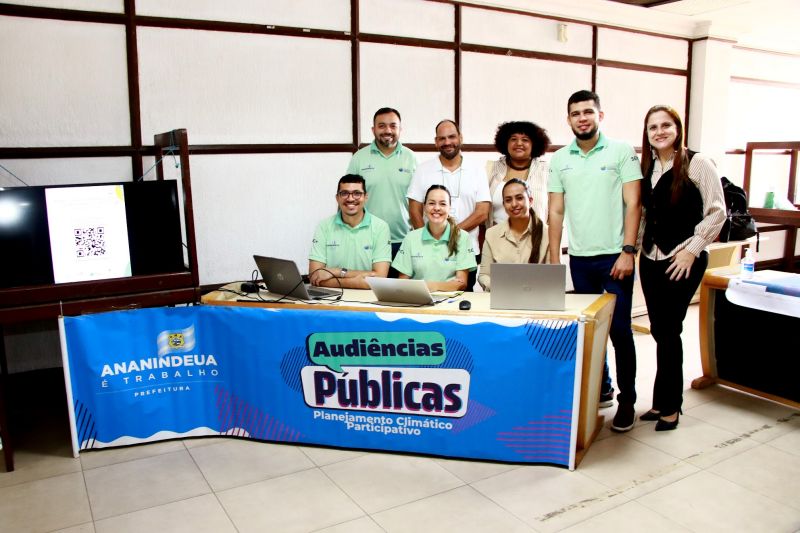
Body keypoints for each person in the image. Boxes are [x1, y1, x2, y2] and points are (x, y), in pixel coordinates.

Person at [548, 90, 643, 433]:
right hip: (580, 258)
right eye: (575, 113)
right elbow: (556, 210)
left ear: (600, 116)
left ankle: (628, 401)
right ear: (569, 119)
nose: (582, 118)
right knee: (590, 331)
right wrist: (553, 258)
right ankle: (599, 389)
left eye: (588, 112)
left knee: (619, 330)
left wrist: (628, 251)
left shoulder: (621, 151)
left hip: (615, 257)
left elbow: (634, 204)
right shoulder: (559, 159)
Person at [638, 105, 725, 431]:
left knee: (670, 330)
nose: (658, 132)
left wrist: (692, 249)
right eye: (652, 128)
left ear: (678, 128)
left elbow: (718, 212)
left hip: (683, 260)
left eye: (665, 125)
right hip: (651, 260)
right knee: (660, 331)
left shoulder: (698, 164)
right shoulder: (647, 167)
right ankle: (661, 400)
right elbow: (645, 214)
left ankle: (671, 406)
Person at [407, 120, 490, 290]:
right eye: (442, 138)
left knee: (461, 301)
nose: (447, 142)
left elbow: (482, 212)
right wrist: (431, 238)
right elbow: (414, 210)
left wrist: (451, 235)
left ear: (460, 138)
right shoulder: (423, 170)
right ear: (436, 141)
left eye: (452, 137)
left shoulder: (476, 170)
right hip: (427, 253)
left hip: (467, 251)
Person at [346, 108, 417, 270]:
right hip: (366, 240)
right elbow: (346, 198)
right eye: (382, 126)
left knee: (400, 293)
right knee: (366, 292)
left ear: (400, 129)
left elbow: (420, 202)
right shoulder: (359, 158)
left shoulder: (411, 158)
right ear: (373, 129)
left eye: (393, 126)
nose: (388, 131)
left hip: (403, 241)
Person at [309, 175, 392, 289]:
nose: (351, 199)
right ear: (337, 198)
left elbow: (380, 278)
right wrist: (358, 282)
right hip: (329, 296)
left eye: (357, 193)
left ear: (366, 197)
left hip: (367, 298)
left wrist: (335, 272)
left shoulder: (381, 227)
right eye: (344, 193)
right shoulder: (324, 226)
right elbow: (315, 276)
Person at [392, 185, 476, 291]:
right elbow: (402, 282)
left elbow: (461, 283)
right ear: (424, 207)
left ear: (449, 208)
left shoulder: (462, 237)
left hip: (450, 302)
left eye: (443, 204)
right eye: (431, 203)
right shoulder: (411, 238)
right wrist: (443, 285)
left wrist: (428, 286)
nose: (436, 208)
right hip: (417, 299)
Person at [478, 178, 549, 290]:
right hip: (502, 296)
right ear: (504, 204)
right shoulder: (491, 234)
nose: (514, 204)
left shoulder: (548, 234)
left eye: (519, 198)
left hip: (537, 298)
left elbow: (553, 277)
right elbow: (484, 275)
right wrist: (503, 288)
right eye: (508, 200)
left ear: (530, 201)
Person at [486, 121, 550, 227]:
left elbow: (555, 212)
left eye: (525, 140)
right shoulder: (491, 169)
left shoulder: (546, 171)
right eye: (513, 139)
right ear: (505, 142)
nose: (519, 143)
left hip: (536, 239)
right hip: (497, 239)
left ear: (534, 144)